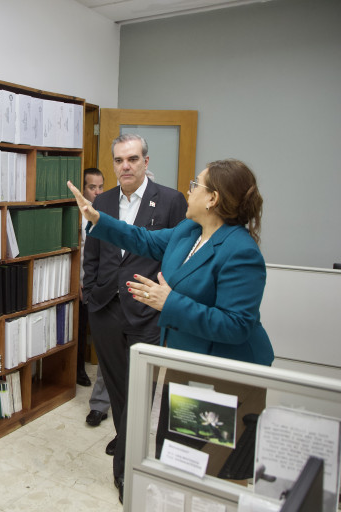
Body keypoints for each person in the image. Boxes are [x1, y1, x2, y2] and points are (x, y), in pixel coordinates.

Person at [68, 157, 274, 501]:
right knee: (183, 455)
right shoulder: (188, 231)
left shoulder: (241, 251)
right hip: (188, 360)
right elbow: (142, 239)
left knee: (220, 467)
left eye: (196, 185)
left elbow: (237, 325)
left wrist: (169, 302)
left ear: (213, 199)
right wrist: (97, 218)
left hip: (229, 374)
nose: (188, 192)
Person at [79, 133, 188, 501]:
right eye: (119, 160)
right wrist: (91, 290)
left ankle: (125, 470)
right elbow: (93, 252)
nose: (125, 166)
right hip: (105, 308)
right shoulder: (103, 201)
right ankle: (128, 442)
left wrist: (167, 297)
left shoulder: (170, 201)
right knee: (117, 387)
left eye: (132, 159)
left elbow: (177, 256)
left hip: (147, 311)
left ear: (145, 161)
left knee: (142, 390)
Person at [77, 168, 104, 387]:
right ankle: (78, 369)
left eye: (100, 187)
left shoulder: (105, 213)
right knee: (79, 326)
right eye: (92, 187)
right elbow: (77, 252)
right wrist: (77, 282)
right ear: (83, 188)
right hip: (81, 282)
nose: (97, 192)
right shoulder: (78, 216)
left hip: (101, 280)